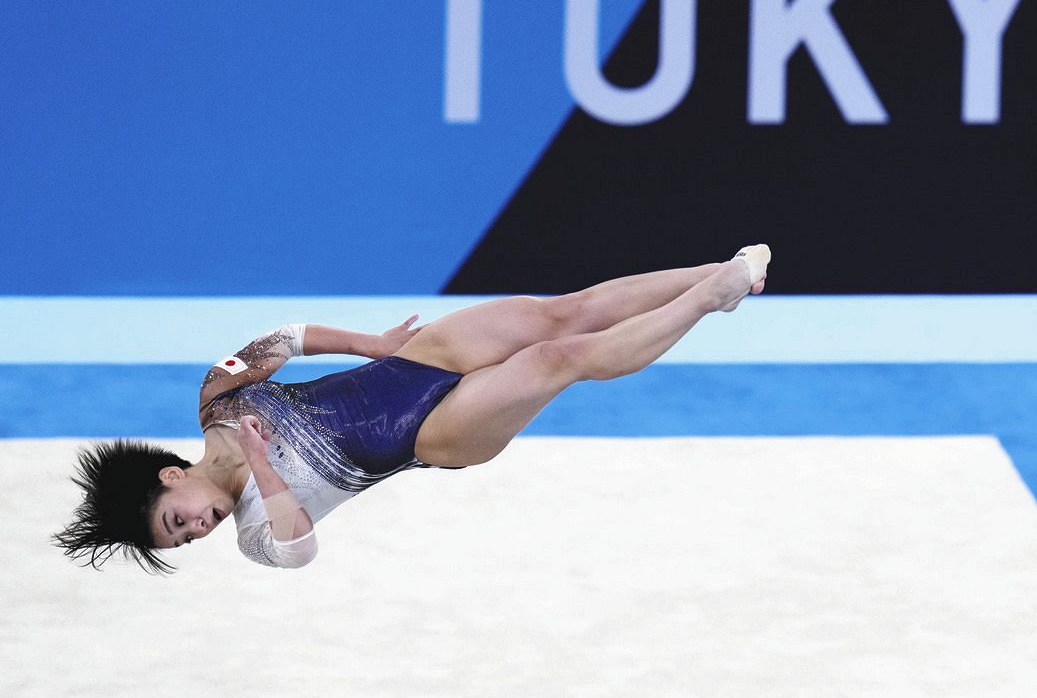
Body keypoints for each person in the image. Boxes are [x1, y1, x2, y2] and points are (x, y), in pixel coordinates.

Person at [53, 246, 771, 572]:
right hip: (431, 435)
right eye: (185, 540)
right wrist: (268, 475)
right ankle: (710, 298)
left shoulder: (218, 391)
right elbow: (299, 550)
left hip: (409, 364)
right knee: (558, 360)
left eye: (178, 521)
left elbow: (283, 339)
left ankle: (722, 273)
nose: (199, 529)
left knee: (566, 312)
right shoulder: (254, 533)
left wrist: (371, 342)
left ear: (173, 476)